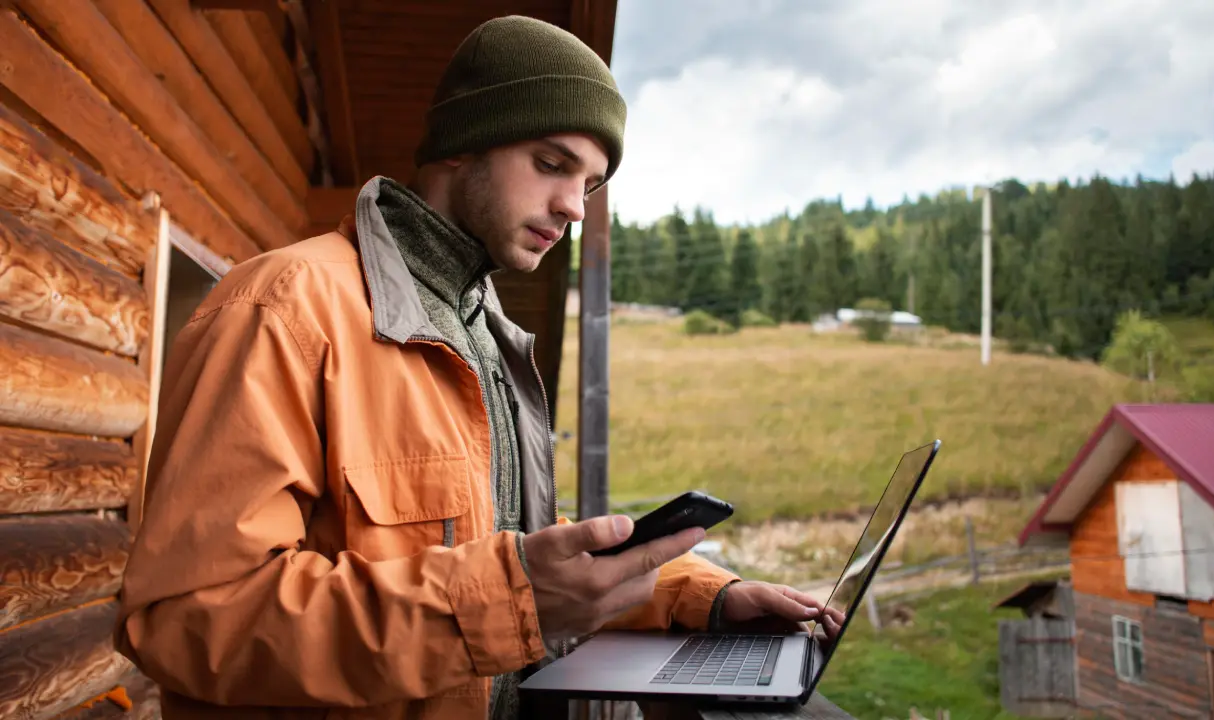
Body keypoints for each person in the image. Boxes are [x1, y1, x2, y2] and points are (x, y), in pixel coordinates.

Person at [114, 14, 827, 720]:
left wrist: (700, 595)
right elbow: (188, 619)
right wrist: (507, 599)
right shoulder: (281, 308)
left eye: (592, 183)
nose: (573, 207)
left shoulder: (489, 336)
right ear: (463, 143)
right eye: (551, 164)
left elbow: (496, 537)